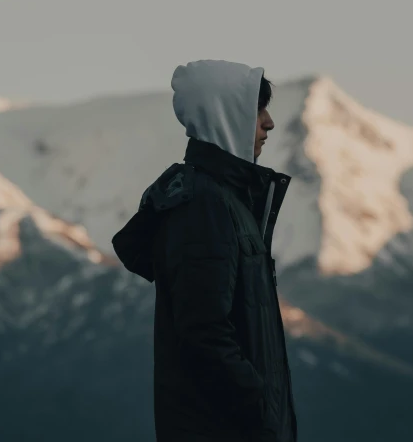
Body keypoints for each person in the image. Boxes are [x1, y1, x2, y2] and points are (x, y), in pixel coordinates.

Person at [112, 59, 297, 442]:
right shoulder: (204, 206)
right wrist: (259, 410)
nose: (269, 123)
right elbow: (203, 332)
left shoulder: (229, 202)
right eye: (257, 110)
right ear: (225, 117)